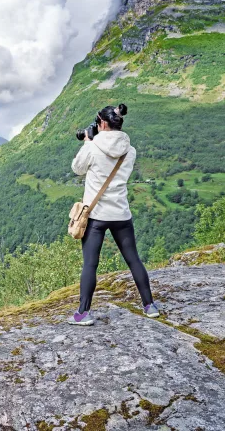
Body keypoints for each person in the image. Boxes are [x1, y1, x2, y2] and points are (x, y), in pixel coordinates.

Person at [68, 103, 159, 326]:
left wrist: (88, 143)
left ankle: (83, 313)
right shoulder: (131, 150)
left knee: (90, 263)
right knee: (133, 259)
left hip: (96, 214)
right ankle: (150, 306)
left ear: (103, 123)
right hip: (120, 212)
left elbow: (77, 168)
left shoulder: (92, 147)